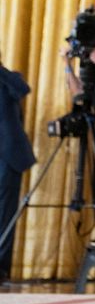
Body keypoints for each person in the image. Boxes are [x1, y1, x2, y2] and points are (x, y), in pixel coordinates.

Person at [0, 57, 37, 283]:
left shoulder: (9, 79)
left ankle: (1, 268)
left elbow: (23, 89)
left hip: (7, 157)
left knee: (4, 214)